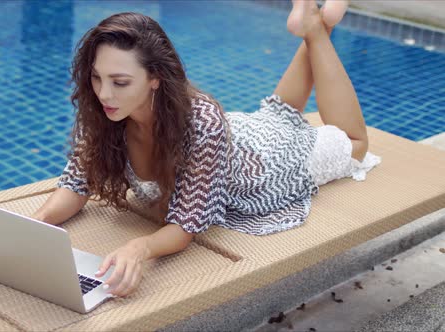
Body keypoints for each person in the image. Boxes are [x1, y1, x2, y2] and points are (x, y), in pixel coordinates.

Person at [31, 0, 381, 298]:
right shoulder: (107, 112)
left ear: (156, 78)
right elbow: (76, 183)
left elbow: (187, 224)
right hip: (237, 137)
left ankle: (318, 30)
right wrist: (37, 224)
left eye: (120, 82)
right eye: (96, 78)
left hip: (265, 168)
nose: (104, 94)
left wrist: (141, 247)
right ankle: (313, 25)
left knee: (355, 145)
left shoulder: (202, 124)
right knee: (279, 113)